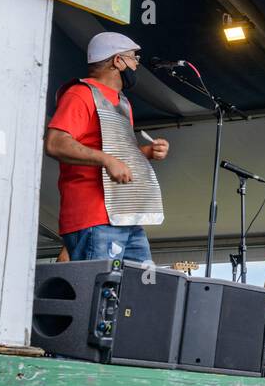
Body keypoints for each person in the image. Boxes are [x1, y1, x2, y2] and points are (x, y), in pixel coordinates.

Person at [44, 31, 170, 263]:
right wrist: (106, 160)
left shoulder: (122, 102)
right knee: (99, 291)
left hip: (125, 216)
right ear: (118, 61)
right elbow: (55, 143)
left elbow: (115, 151)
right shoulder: (80, 94)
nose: (136, 65)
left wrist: (147, 153)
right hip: (93, 216)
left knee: (139, 290)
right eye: (134, 58)